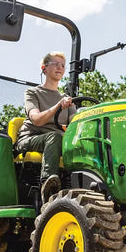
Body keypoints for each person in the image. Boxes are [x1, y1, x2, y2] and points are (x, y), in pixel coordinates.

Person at [15, 51, 77, 203]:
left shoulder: (67, 100)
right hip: (30, 138)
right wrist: (57, 106)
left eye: (62, 65)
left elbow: (75, 125)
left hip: (57, 141)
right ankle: (47, 186)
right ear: (44, 68)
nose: (60, 68)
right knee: (54, 137)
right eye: (55, 64)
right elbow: (36, 120)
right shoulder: (32, 92)